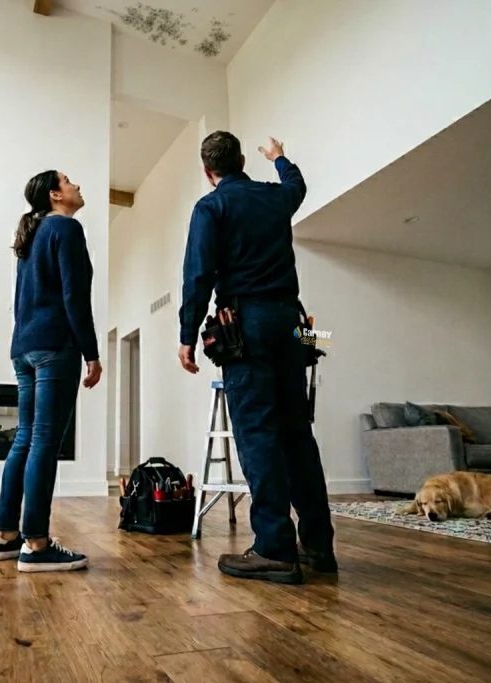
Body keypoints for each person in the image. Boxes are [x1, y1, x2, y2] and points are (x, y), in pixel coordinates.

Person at [178, 132, 336, 585]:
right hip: (291, 323)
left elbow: (198, 274)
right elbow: (297, 187)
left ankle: (274, 549)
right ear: (243, 160)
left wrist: (187, 335)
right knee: (297, 436)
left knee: (258, 436)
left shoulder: (211, 207)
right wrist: (281, 158)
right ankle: (319, 545)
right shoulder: (274, 196)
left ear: (209, 173)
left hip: (244, 324)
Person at [0, 170, 102, 573]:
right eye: (70, 182)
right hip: (55, 347)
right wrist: (91, 352)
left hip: (24, 347)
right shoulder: (66, 230)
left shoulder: (32, 235)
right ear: (56, 195)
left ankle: (5, 536)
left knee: (25, 438)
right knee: (43, 442)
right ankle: (36, 544)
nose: (78, 186)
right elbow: (76, 296)